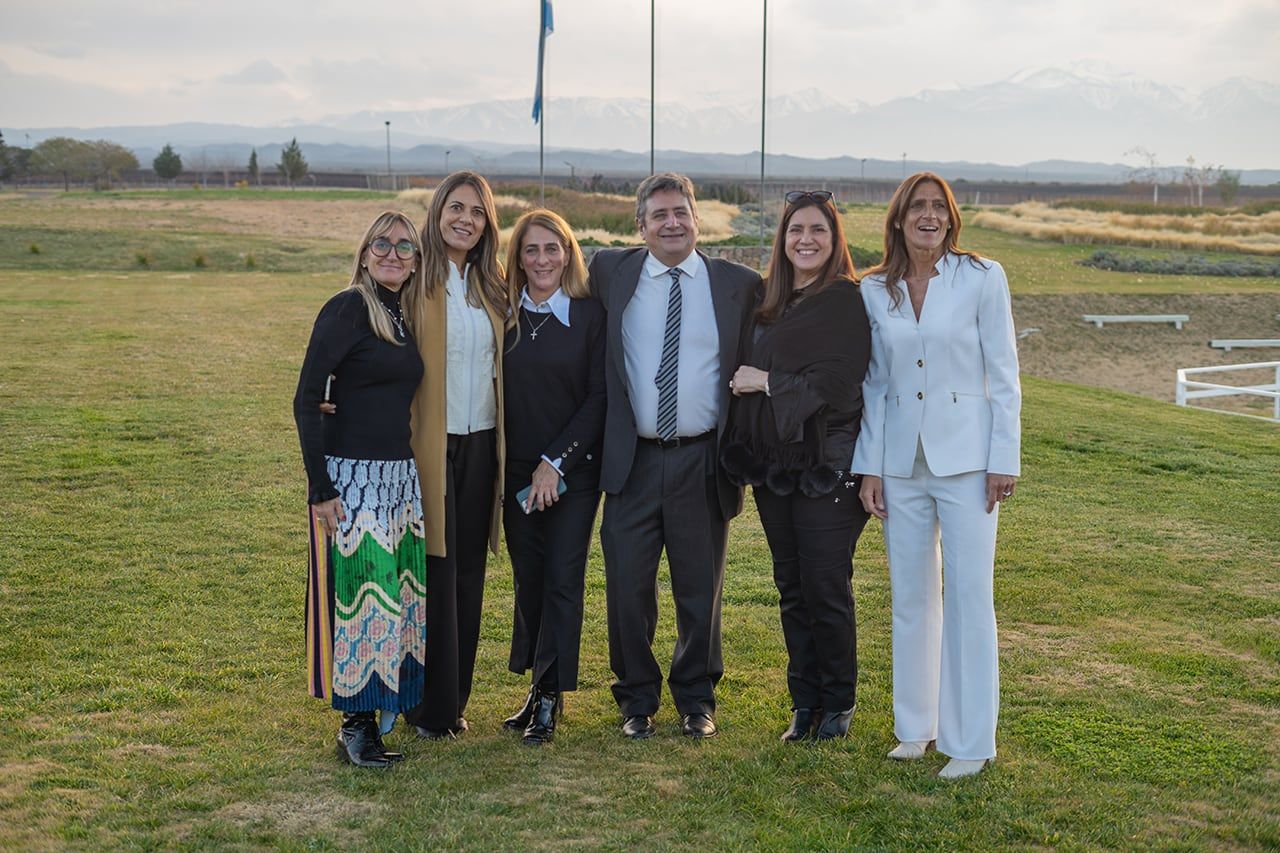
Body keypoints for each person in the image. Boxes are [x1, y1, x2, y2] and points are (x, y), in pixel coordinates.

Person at [853, 172, 1021, 779]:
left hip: (971, 464)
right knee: (910, 597)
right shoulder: (875, 290)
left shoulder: (983, 278)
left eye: (938, 208)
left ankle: (971, 741)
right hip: (900, 465)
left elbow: (1004, 373)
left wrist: (1005, 457)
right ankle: (914, 727)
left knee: (971, 597)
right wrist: (868, 466)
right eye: (916, 208)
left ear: (951, 219)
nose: (929, 216)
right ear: (898, 219)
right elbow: (873, 383)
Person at [588, 172, 758, 740]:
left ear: (697, 218)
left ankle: (696, 699)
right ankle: (636, 698)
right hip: (631, 459)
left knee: (698, 585)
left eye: (681, 212)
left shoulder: (737, 284)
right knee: (627, 587)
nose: (672, 222)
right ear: (640, 225)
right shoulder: (612, 272)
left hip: (701, 460)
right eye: (659, 214)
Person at [721, 190, 872, 742]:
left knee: (825, 584)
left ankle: (838, 703)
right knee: (790, 585)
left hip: (825, 467)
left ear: (835, 242)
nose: (805, 240)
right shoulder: (769, 302)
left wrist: (764, 383)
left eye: (817, 231)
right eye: (795, 231)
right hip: (773, 467)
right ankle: (804, 702)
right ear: (782, 240)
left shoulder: (845, 302)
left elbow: (839, 385)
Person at [294, 211, 426, 767]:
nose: (393, 254)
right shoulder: (348, 307)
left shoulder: (403, 313)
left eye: (405, 246)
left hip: (399, 477)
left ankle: (387, 704)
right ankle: (356, 726)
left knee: (394, 597)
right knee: (360, 600)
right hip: (351, 478)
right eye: (383, 244)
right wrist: (320, 489)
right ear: (365, 250)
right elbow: (306, 399)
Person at [402, 171, 509, 740]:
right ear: (438, 211)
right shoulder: (415, 280)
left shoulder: (490, 286)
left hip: (482, 447)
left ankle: (454, 700)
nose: (465, 219)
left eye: (477, 211)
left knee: (469, 577)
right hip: (429, 449)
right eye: (456, 208)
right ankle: (425, 705)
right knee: (432, 577)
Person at [498, 209, 606, 745]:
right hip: (514, 473)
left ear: (569, 253)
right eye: (531, 250)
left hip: (573, 473)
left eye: (553, 248)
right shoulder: (502, 315)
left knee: (563, 579)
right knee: (530, 581)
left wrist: (555, 461)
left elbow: (598, 398)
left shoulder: (589, 315)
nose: (543, 260)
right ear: (517, 258)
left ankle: (550, 697)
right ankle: (537, 686)